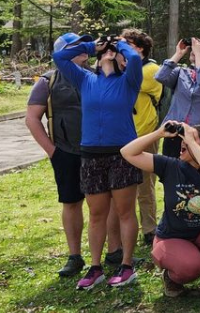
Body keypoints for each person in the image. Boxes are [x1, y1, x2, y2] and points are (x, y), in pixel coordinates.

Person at [54, 34, 143, 289]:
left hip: (122, 153)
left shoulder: (129, 80)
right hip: (91, 153)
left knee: (125, 212)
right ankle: (95, 267)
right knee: (96, 214)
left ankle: (126, 266)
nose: (109, 53)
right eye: (105, 51)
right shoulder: (85, 79)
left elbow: (135, 58)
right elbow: (59, 56)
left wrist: (120, 43)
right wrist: (93, 46)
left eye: (113, 51)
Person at [121, 121, 200, 296]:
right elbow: (127, 152)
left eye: (193, 139)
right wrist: (159, 133)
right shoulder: (170, 165)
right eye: (184, 138)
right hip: (171, 238)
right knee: (192, 268)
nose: (184, 141)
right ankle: (171, 277)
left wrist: (190, 141)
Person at [25, 33, 93, 277]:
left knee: (106, 203)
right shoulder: (48, 81)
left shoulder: (96, 75)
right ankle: (75, 256)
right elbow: (32, 119)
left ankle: (114, 252)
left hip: (97, 150)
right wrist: (53, 151)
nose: (84, 49)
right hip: (66, 152)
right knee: (72, 202)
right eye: (77, 46)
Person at [121, 28, 163, 247]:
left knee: (144, 186)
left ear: (140, 48)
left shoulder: (152, 69)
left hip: (144, 134)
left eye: (126, 45)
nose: (121, 49)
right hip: (121, 134)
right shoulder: (120, 69)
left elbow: (130, 81)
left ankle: (149, 228)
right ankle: (125, 228)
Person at [155, 37, 200, 158]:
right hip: (174, 132)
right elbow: (160, 76)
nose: (195, 50)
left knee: (194, 173)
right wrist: (178, 54)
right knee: (169, 171)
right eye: (195, 47)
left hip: (199, 135)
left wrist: (198, 54)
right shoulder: (181, 72)